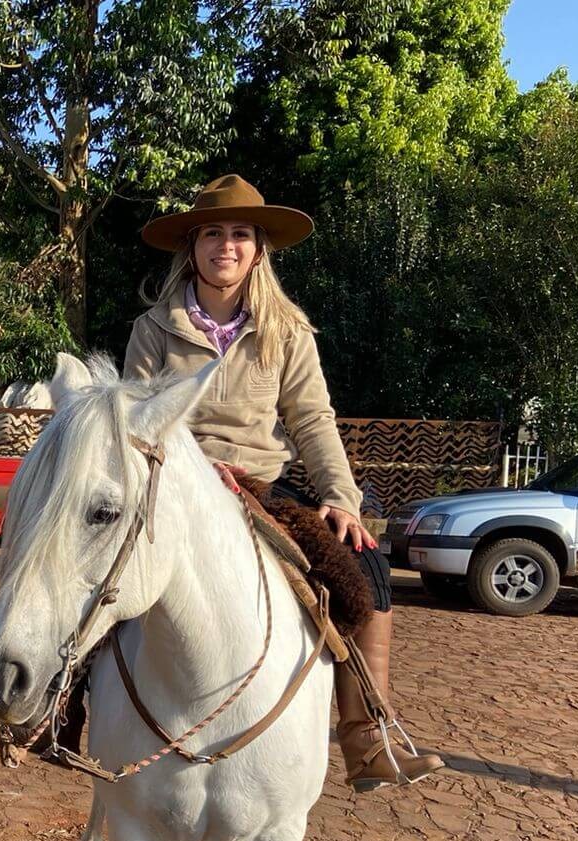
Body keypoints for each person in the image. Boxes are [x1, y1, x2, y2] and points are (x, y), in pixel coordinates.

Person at [124, 174, 441, 790]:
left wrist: (341, 499)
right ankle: (62, 711)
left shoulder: (286, 331)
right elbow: (138, 415)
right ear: (191, 246)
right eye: (212, 232)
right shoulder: (152, 329)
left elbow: (312, 419)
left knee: (365, 564)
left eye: (240, 233)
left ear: (258, 248)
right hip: (176, 482)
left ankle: (366, 737)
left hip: (262, 485)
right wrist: (189, 462)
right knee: (105, 565)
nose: (226, 245)